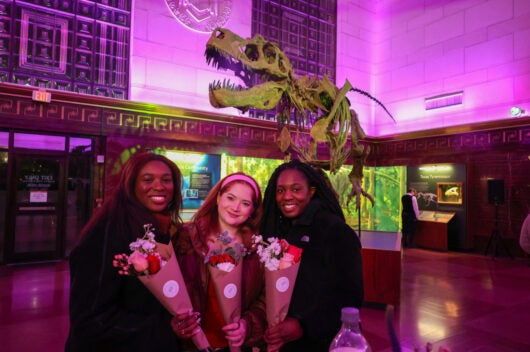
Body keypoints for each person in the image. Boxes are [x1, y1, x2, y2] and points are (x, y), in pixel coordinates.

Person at [65, 152, 184, 352]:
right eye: (148, 180)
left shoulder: (163, 231)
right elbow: (90, 318)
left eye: (167, 180)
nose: (159, 186)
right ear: (130, 185)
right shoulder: (107, 232)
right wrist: (163, 327)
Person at [259, 159, 364, 352]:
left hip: (323, 342)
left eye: (296, 189)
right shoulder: (278, 231)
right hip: (283, 340)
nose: (287, 196)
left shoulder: (334, 230)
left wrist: (304, 325)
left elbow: (351, 295)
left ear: (312, 191)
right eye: (281, 190)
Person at [172, 172, 267, 351]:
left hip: (237, 347)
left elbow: (265, 299)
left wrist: (248, 325)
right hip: (191, 346)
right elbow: (168, 290)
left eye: (245, 203)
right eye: (230, 198)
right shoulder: (186, 237)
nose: (236, 207)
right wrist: (176, 322)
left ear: (252, 211)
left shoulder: (258, 249)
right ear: (218, 198)